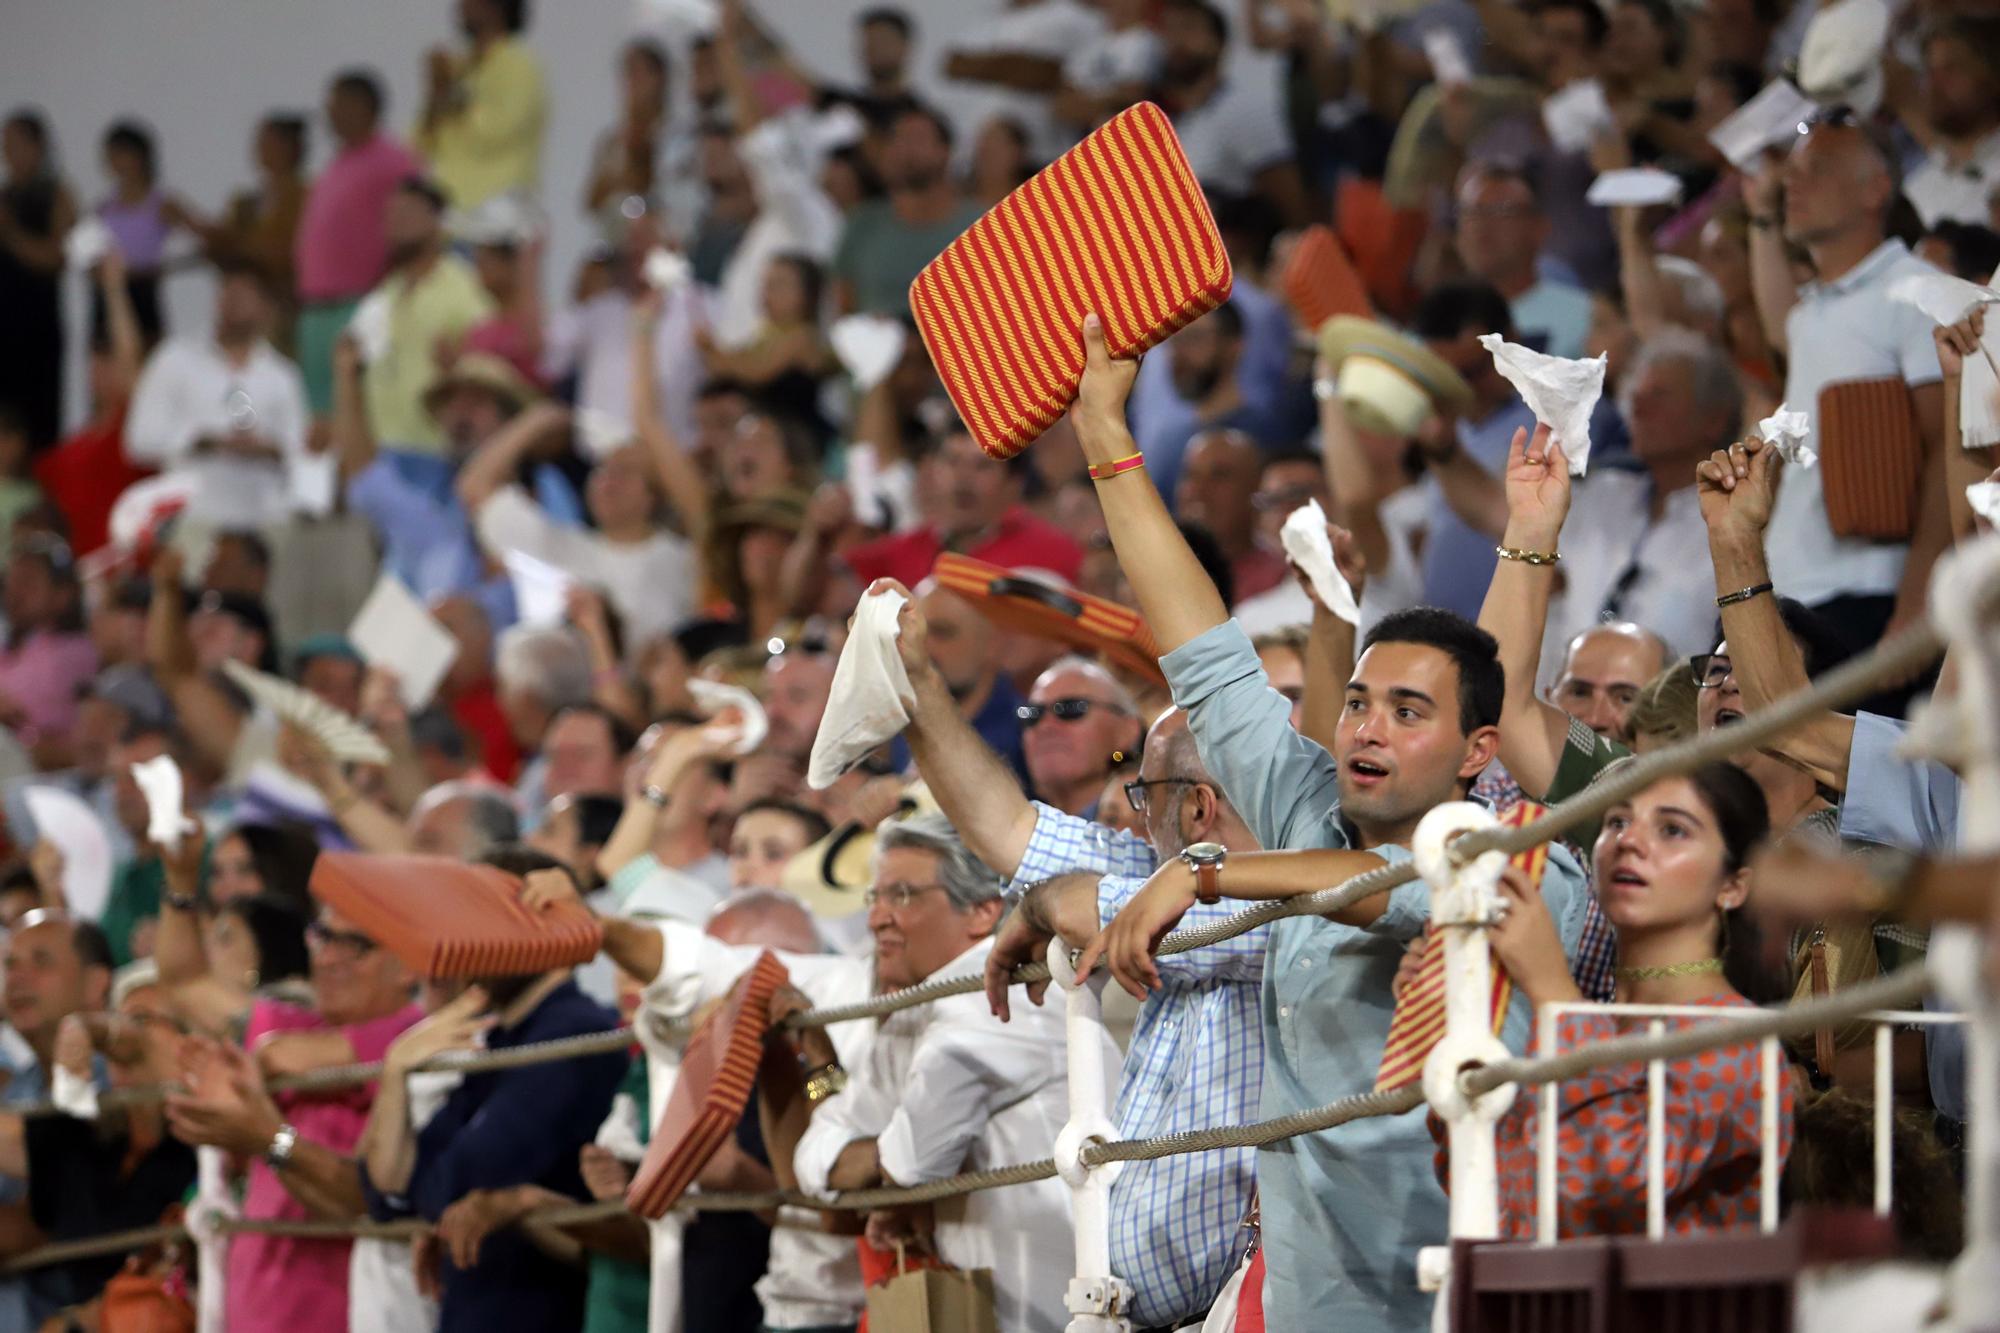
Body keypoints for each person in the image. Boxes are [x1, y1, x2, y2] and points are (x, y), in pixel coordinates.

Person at [1067, 312, 1588, 1333]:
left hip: (1462, 1299)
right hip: (1312, 1305)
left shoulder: (1522, 861)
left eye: (1407, 713)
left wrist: (1205, 873)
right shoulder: (1311, 802)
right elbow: (1200, 646)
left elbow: (1398, 887)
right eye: (1357, 702)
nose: (1366, 727)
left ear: (1475, 753)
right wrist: (1101, 436)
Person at [882, 580, 1269, 1329]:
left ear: (1195, 808)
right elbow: (1011, 832)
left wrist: (1044, 903)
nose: (1131, 809)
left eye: (1145, 792)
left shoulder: (1278, 909)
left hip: (1245, 1306)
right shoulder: (1154, 871)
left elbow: (1097, 897)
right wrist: (919, 684)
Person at [1436, 762, 1793, 1238]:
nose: (1629, 841)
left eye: (1672, 830)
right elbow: (1487, 1187)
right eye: (1617, 821)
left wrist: (1553, 994)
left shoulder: (1740, 1044)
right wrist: (1455, 1008)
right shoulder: (1583, 1021)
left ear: (1733, 886)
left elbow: (1605, 1187)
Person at [782, 814, 1107, 1333]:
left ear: (982, 911)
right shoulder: (918, 1006)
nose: (877, 919)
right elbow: (814, 1157)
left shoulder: (999, 998)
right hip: (993, 1307)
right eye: (875, 898)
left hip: (1064, 1310)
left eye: (903, 895)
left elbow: (911, 1165)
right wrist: (890, 1164)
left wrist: (894, 1174)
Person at [359, 851, 626, 1333]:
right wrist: (396, 1072)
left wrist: (428, 1194)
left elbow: (450, 1188)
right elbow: (386, 1196)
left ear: (547, 924)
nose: (466, 940)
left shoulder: (576, 1033)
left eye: (483, 919)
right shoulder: (503, 1037)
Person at [165, 896, 423, 1333]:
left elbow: (360, 1199)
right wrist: (181, 881)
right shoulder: (291, 1022)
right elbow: (185, 984)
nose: (328, 957)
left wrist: (269, 1136)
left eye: (356, 944)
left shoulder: (418, 1042)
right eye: (323, 937)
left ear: (409, 966)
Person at [1746, 114, 1946, 665]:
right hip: (1791, 590)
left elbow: (1949, 452)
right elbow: (1777, 326)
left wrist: (1917, 602)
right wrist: (1762, 211)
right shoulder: (1811, 312)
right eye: (1792, 174)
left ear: (1876, 189)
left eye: (1819, 170)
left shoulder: (1918, 294)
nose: (1795, 183)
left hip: (1868, 593)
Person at [19, 962, 197, 1330]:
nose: (123, 1041)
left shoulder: (200, 1150)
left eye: (143, 1021)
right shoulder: (82, 1141)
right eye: (118, 1022)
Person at [458, 401, 701, 656]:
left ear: (655, 495)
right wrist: (536, 420)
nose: (608, 480)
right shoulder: (566, 548)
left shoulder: (682, 559)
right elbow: (474, 487)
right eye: (601, 469)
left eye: (625, 471)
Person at [124, 258, 310, 528]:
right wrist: (204, 441)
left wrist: (269, 449)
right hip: (195, 518)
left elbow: (300, 451)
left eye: (245, 295)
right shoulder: (174, 359)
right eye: (228, 291)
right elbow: (138, 440)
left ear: (267, 308)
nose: (233, 303)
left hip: (261, 520)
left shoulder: (282, 376)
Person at [295, 71, 424, 419]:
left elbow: (418, 221)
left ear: (365, 106)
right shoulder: (338, 163)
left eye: (339, 102)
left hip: (360, 303)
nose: (330, 111)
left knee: (357, 408)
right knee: (319, 414)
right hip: (317, 308)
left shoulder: (393, 160)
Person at [359, 176, 495, 460]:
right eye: (391, 215)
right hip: (381, 449)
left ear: (437, 222)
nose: (396, 222)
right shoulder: (384, 293)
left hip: (436, 450)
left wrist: (461, 362)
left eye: (408, 213)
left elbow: (488, 363)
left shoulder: (465, 287)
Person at [1153, 0, 1307, 226]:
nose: (1176, 41)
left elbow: (1294, 210)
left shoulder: (1243, 112)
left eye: (1188, 28)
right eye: (1169, 30)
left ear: (1217, 42)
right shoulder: (1180, 122)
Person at [830, 103, 983, 318]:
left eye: (916, 139)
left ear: (945, 152)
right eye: (896, 140)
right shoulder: (862, 223)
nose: (904, 150)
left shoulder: (981, 225)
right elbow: (843, 305)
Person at [171, 112, 309, 346]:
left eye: (269, 141)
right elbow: (224, 248)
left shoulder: (304, 197)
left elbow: (280, 252)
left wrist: (195, 224)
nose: (260, 148)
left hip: (284, 310)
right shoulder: (247, 203)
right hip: (243, 315)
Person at [1133, 303, 1292, 499]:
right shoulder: (1170, 445)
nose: (1179, 354)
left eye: (1194, 338)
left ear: (1235, 346)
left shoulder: (1271, 437)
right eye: (1174, 341)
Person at [1452, 160, 1594, 360]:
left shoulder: (1584, 319)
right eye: (1470, 212)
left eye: (1502, 210)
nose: (1481, 224)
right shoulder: (1441, 316)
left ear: (1539, 228)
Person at [415, 0, 548, 212]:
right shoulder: (459, 67)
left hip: (496, 216)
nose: (461, 6)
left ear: (496, 7)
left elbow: (498, 130)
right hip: (448, 209)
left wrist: (451, 95)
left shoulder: (518, 64)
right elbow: (418, 143)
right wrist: (437, 93)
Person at [0, 110, 75, 450]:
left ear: (38, 146)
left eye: (17, 143)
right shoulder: (4, 196)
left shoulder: (57, 195)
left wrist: (11, 232)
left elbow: (56, 259)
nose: (10, 152)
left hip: (36, 324)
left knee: (39, 417)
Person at [0, 537, 97, 764]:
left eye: (28, 582)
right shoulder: (11, 642)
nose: (14, 592)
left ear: (62, 594)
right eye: (11, 581)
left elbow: (38, 736)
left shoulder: (72, 652)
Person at [1902, 16, 2000, 229]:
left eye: (1951, 69)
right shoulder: (1916, 189)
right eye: (1930, 71)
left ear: (1990, 73)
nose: (1935, 83)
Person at [1018, 656, 1144, 818]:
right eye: (1033, 714)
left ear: (1127, 731)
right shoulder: (1006, 829)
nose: (1045, 726)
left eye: (1071, 708)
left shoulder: (1149, 822)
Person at [1174, 429, 1289, 604]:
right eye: (1191, 475)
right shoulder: (1145, 573)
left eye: (1219, 476)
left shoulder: (1281, 580)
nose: (1198, 490)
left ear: (1255, 488)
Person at [95, 120, 171, 341]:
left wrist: (158, 268)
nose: (114, 161)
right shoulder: (102, 209)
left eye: (120, 153)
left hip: (142, 292)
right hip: (106, 295)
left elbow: (202, 242)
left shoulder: (161, 204)